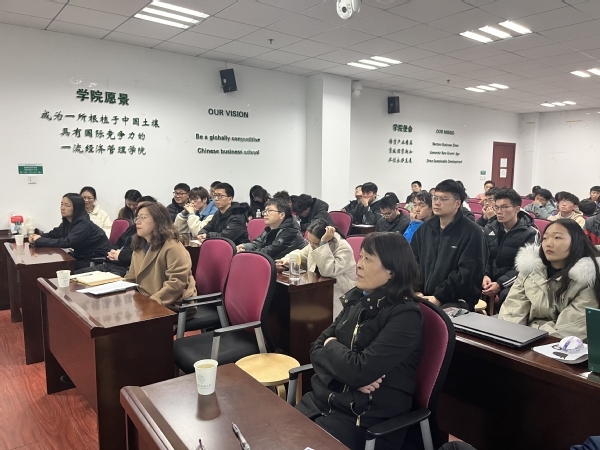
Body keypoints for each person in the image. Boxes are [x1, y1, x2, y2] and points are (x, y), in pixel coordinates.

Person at [296, 232, 423, 450]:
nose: (359, 265)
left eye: (368, 259)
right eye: (360, 256)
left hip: (360, 420)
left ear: (392, 271)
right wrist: (345, 371)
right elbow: (315, 348)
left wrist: (331, 346)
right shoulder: (358, 298)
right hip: (321, 402)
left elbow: (359, 371)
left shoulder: (405, 315)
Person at [499, 219, 600, 340]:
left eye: (557, 238)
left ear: (576, 241)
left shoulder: (588, 278)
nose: (548, 244)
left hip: (563, 345)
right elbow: (512, 309)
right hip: (523, 339)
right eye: (545, 238)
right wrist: (510, 338)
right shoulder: (531, 270)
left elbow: (570, 329)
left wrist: (529, 337)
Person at [410, 179, 486, 311]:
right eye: (435, 198)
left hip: (456, 299)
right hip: (424, 295)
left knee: (439, 317)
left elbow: (467, 274)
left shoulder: (472, 232)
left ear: (457, 203)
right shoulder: (425, 229)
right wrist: (416, 290)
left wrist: (439, 297)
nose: (437, 202)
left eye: (443, 199)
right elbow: (413, 262)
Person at [124, 201, 196, 312]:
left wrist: (152, 302)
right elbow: (131, 277)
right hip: (145, 299)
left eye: (143, 217)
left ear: (158, 220)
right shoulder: (139, 245)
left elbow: (176, 283)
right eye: (137, 217)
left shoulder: (172, 246)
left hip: (171, 303)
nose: (137, 222)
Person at [277, 219, 356, 317]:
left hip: (337, 292)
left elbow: (327, 271)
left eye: (315, 243)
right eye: (309, 241)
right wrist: (287, 260)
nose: (311, 245)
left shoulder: (343, 248)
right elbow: (302, 254)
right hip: (318, 289)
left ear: (328, 240)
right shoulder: (313, 243)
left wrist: (323, 244)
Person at [482, 189, 538, 307]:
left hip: (514, 281)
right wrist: (485, 275)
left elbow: (525, 269)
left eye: (504, 207)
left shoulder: (531, 233)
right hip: (490, 276)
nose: (499, 212)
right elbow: (484, 256)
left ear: (517, 209)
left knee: (508, 295)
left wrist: (500, 284)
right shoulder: (490, 228)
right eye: (496, 207)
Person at [75, 196, 157, 277]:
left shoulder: (151, 235)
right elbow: (119, 242)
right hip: (109, 264)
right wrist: (112, 252)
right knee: (73, 277)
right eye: (138, 211)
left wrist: (120, 255)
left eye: (143, 216)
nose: (138, 220)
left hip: (122, 268)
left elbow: (139, 256)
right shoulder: (132, 228)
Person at [29, 193, 111, 270]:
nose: (62, 208)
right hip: (81, 255)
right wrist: (37, 237)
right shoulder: (69, 221)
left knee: (59, 269)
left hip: (95, 259)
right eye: (62, 204)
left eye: (67, 205)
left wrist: (40, 240)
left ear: (77, 208)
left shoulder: (84, 224)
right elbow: (54, 234)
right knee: (53, 266)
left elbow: (67, 242)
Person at [238, 198, 306, 259]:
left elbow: (270, 252)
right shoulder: (270, 227)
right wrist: (244, 246)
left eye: (269, 211)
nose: (265, 214)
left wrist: (246, 253)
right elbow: (258, 243)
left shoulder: (291, 231)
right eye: (265, 211)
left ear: (282, 215)